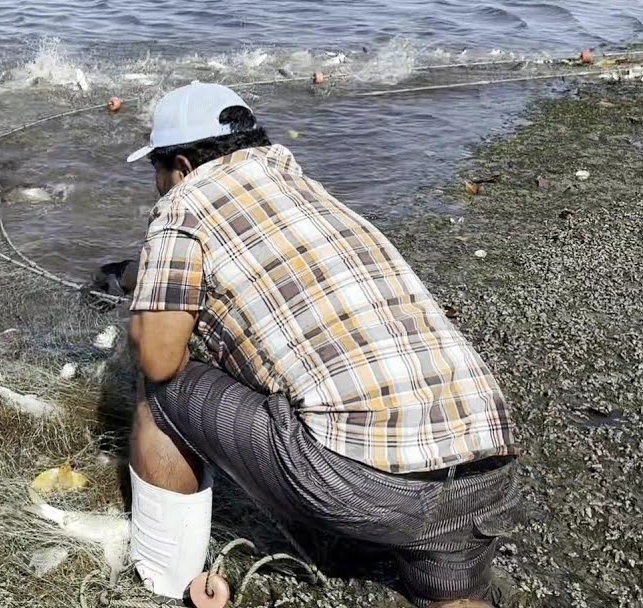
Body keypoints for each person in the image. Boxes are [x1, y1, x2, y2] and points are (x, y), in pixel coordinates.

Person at [121, 82, 520, 608]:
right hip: (488, 471)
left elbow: (159, 355)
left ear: (182, 166)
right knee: (451, 591)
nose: (158, 185)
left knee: (165, 395)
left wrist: (144, 306)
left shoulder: (185, 205)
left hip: (370, 488)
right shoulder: (302, 186)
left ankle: (162, 581)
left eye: (157, 170)